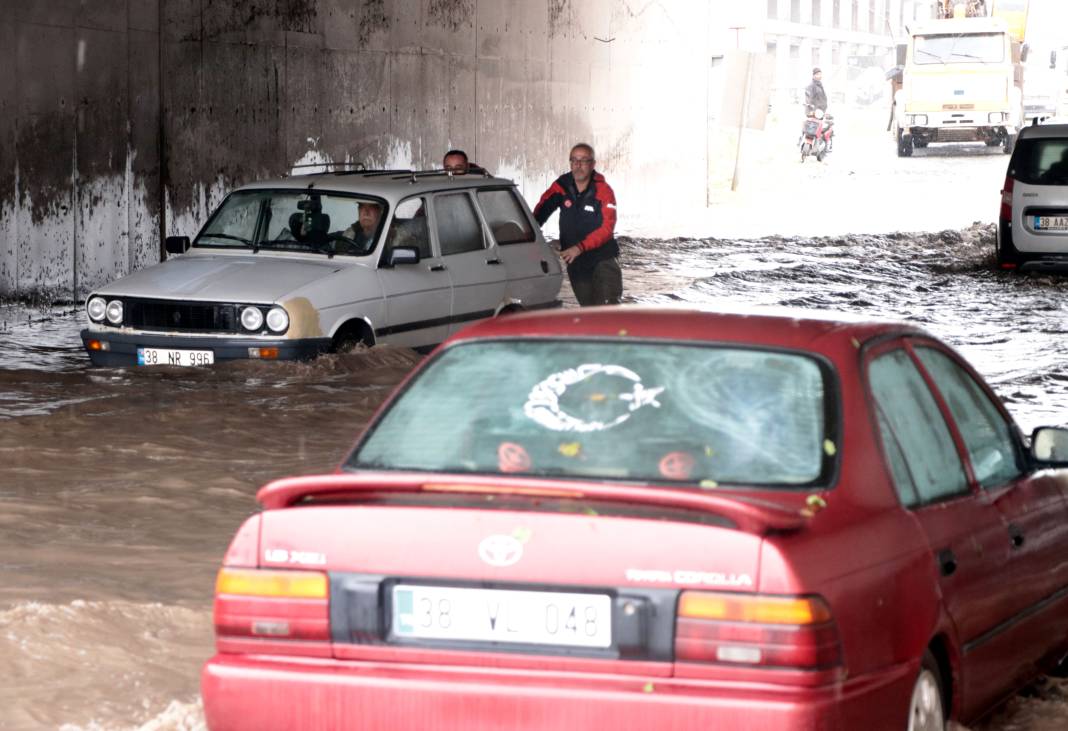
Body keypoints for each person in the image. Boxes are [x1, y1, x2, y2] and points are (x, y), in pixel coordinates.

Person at [532, 143, 622, 306]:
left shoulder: (604, 191)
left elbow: (607, 229)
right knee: (588, 311)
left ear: (593, 164)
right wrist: (526, 235)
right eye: (574, 160)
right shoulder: (561, 186)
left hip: (603, 260)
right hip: (576, 262)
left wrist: (580, 247)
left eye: (583, 161)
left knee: (609, 312)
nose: (578, 165)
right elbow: (539, 213)